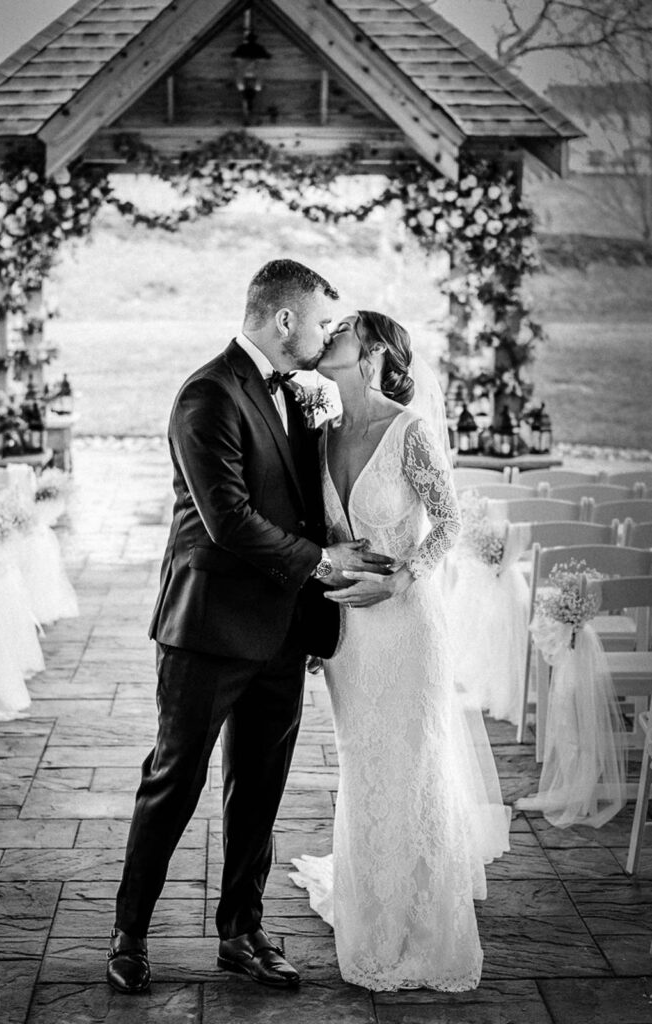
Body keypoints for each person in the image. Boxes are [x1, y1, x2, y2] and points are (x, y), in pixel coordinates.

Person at [106, 261, 395, 994]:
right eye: (321, 321)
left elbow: (304, 505)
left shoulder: (297, 395)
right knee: (174, 780)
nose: (327, 334)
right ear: (285, 320)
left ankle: (242, 932)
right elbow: (228, 520)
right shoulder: (207, 394)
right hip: (208, 627)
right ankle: (129, 933)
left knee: (259, 789)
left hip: (282, 629)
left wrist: (328, 592)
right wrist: (325, 562)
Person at [290, 310, 510, 992]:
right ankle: (373, 914)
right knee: (363, 766)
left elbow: (448, 522)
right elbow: (317, 538)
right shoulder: (319, 434)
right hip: (348, 635)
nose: (329, 334)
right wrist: (315, 613)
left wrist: (402, 577)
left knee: (412, 765)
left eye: (343, 329)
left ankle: (420, 922)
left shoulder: (409, 431)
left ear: (376, 352)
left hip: (408, 624)